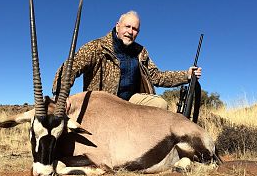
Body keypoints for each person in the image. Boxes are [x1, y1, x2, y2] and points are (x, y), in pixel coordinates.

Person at [52, 10, 201, 110]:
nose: (130, 32)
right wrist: (60, 95)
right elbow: (71, 67)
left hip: (130, 103)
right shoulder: (96, 47)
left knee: (160, 104)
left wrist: (186, 75)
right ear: (118, 26)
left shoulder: (140, 52)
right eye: (127, 26)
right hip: (102, 105)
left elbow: (157, 77)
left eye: (135, 29)